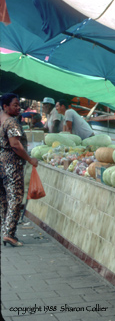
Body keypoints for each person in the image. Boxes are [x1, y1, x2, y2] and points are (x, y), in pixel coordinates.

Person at [0, 93, 38, 247]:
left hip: (1, 163)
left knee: (3, 199)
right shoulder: (11, 123)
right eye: (15, 105)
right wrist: (29, 159)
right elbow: (15, 145)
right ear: (5, 107)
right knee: (15, 198)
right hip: (11, 164)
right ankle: (9, 234)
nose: (18, 107)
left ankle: (5, 230)